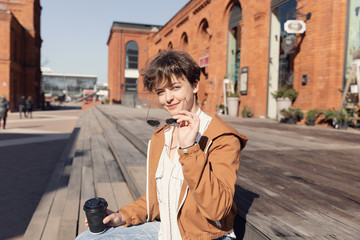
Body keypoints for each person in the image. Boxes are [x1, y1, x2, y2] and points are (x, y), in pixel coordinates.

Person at [76, 50, 247, 240]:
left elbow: (217, 209)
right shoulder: (162, 136)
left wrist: (189, 149)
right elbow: (159, 199)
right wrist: (122, 216)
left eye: (175, 87)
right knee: (86, 238)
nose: (168, 98)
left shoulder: (222, 138)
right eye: (161, 91)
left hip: (205, 236)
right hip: (166, 231)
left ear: (195, 85)